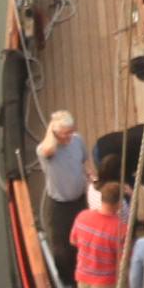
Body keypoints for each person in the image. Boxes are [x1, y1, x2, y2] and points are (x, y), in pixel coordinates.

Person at [70, 184, 132, 288]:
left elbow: (73, 241)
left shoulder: (82, 217)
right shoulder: (120, 229)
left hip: (83, 277)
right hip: (106, 282)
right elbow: (124, 261)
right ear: (118, 203)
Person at [36, 111, 90, 277]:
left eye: (70, 131)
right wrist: (51, 127)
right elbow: (49, 148)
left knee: (83, 238)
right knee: (62, 248)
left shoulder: (77, 139)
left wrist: (88, 174)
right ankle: (66, 279)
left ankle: (83, 269)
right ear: (54, 132)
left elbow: (82, 161)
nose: (69, 136)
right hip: (60, 205)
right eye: (65, 133)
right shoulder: (45, 151)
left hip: (80, 200)